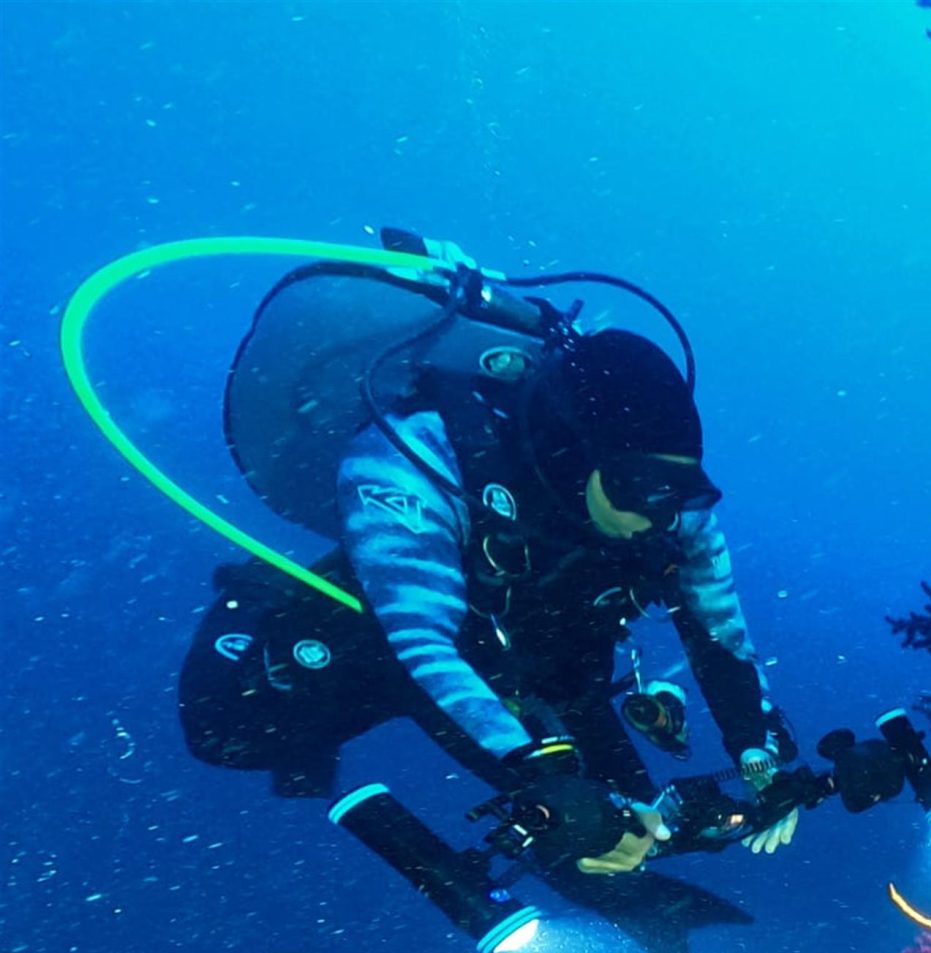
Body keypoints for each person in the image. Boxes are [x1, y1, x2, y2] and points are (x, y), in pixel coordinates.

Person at [178, 327, 801, 873]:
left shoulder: (673, 512)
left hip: (544, 668)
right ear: (576, 450)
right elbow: (422, 645)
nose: (659, 513)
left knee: (637, 823)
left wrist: (760, 752)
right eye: (638, 488)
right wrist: (545, 783)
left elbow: (722, 634)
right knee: (225, 729)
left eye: (682, 489)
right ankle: (269, 603)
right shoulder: (416, 457)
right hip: (394, 638)